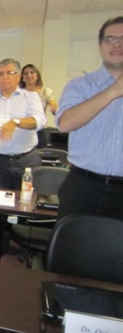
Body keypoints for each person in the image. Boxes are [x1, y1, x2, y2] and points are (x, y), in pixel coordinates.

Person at [56, 16, 123, 220]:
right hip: (84, 187)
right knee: (72, 240)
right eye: (110, 39)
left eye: (122, 39)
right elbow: (65, 123)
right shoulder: (81, 85)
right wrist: (113, 90)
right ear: (100, 45)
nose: (117, 44)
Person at [0, 58, 46, 190]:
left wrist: (16, 122)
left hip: (26, 161)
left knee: (27, 200)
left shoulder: (30, 97)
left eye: (9, 73)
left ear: (18, 76)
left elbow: (39, 120)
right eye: (1, 74)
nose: (4, 77)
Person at [19, 64, 58, 148]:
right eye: (26, 73)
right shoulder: (18, 93)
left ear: (37, 76)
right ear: (22, 77)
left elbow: (53, 106)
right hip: (22, 131)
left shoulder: (45, 92)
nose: (29, 75)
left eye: (32, 72)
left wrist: (58, 111)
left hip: (39, 131)